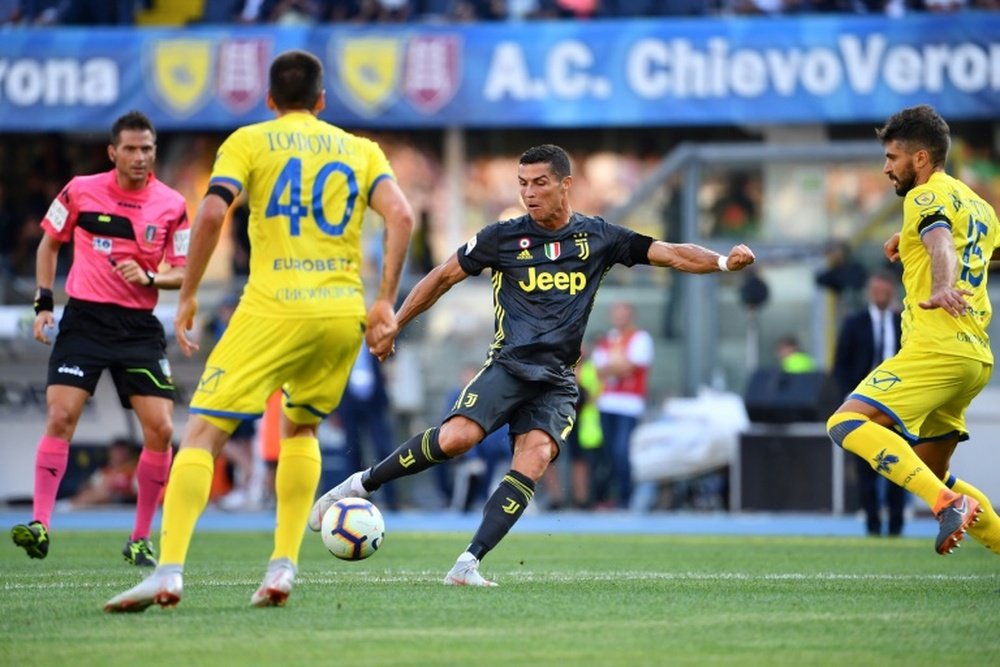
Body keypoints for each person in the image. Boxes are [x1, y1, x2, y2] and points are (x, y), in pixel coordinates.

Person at [309, 143, 756, 586]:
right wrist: (395, 322)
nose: (529, 192)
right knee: (457, 438)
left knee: (536, 456)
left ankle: (467, 564)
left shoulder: (597, 237)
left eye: (540, 182)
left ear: (566, 185)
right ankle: (360, 484)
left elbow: (671, 252)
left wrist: (720, 262)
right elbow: (443, 275)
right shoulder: (501, 238)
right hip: (509, 366)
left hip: (557, 380)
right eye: (522, 184)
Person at [104, 49, 414, 612]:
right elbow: (402, 216)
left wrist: (190, 290)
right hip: (340, 312)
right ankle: (283, 566)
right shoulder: (361, 150)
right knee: (301, 431)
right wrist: (385, 301)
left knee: (202, 434)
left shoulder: (249, 141)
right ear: (322, 101)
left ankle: (168, 572)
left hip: (271, 306)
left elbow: (211, 214)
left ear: (270, 100)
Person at [10, 111, 188, 568]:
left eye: (146, 149)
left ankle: (140, 538)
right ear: (113, 152)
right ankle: (41, 524)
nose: (139, 157)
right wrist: (43, 304)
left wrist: (150, 274)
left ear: (154, 151)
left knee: (163, 430)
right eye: (130, 148)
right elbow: (48, 243)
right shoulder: (80, 189)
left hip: (137, 328)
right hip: (85, 321)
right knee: (61, 414)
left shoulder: (172, 204)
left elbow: (183, 271)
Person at [826, 104, 1000, 557]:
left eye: (892, 157)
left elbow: (941, 240)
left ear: (920, 158)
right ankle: (956, 504)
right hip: (974, 357)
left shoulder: (923, 198)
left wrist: (941, 284)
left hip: (937, 347)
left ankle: (947, 505)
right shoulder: (978, 205)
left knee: (845, 422)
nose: (886, 168)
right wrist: (910, 242)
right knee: (931, 471)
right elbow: (971, 249)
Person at [832, 272, 907, 537]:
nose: (880, 295)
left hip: (896, 403)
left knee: (899, 462)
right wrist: (847, 396)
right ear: (869, 292)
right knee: (865, 467)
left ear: (892, 292)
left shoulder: (904, 323)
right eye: (876, 290)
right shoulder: (854, 323)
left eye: (885, 291)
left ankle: (897, 525)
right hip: (863, 401)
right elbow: (840, 365)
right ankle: (873, 525)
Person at [591, 302, 653, 509]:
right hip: (607, 402)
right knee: (609, 452)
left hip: (629, 404)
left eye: (624, 314)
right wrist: (618, 367)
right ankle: (611, 496)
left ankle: (626, 496)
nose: (620, 318)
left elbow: (631, 367)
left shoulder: (640, 338)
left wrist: (614, 367)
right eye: (617, 314)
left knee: (622, 450)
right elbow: (600, 370)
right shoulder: (607, 339)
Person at [335, 345, 398, 510]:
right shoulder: (345, 335)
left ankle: (391, 500)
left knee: (383, 449)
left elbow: (391, 357)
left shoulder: (374, 333)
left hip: (374, 401)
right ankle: (355, 500)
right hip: (348, 402)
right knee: (352, 451)